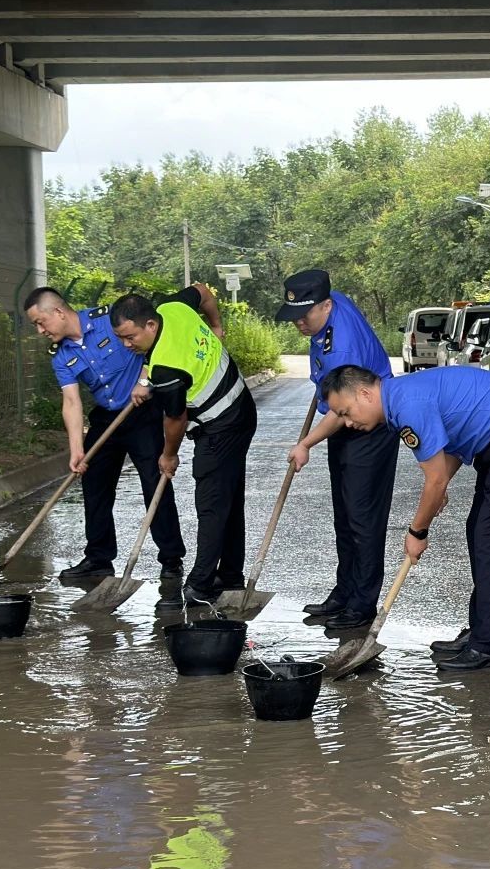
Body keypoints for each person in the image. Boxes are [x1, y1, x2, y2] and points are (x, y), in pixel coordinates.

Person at [317, 364, 490, 671]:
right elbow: (448, 450)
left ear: (364, 393)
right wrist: (439, 488)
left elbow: (435, 479)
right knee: (480, 534)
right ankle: (482, 633)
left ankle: (487, 647)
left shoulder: (406, 406)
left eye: (346, 412)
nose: (347, 422)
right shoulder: (401, 398)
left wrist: (418, 531)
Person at [23, 286, 186, 581]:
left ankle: (171, 558)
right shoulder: (61, 357)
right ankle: (98, 558)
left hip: (141, 414)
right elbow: (71, 402)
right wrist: (76, 449)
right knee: (94, 484)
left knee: (155, 481)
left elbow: (153, 345)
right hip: (105, 419)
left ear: (58, 312)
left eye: (40, 322)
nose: (40, 330)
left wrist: (146, 380)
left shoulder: (110, 321)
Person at [110, 285, 258, 606]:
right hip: (242, 406)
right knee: (228, 497)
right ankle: (230, 574)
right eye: (121, 338)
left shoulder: (167, 368)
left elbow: (175, 419)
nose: (126, 344)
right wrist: (216, 325)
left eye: (130, 337)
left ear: (150, 325)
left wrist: (168, 455)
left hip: (221, 426)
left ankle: (200, 584)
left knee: (211, 503)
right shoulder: (173, 308)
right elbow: (203, 292)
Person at [278, 270, 398, 630]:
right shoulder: (333, 301)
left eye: (305, 315)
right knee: (344, 516)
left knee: (362, 520)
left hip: (368, 425)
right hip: (346, 419)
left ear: (326, 305)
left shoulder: (340, 350)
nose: (299, 323)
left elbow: (337, 415)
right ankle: (344, 591)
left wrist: (305, 444)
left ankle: (361, 605)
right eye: (294, 315)